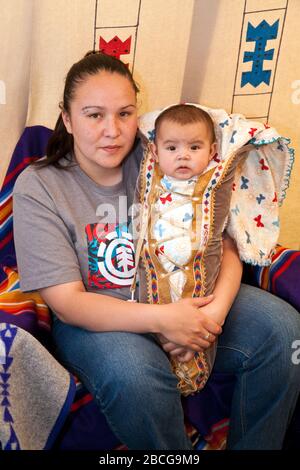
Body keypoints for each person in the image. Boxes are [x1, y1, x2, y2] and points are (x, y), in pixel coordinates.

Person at [13, 51, 300, 450]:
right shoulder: (39, 185)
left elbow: (226, 242)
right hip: (100, 319)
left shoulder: (166, 157)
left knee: (283, 330)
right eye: (94, 115)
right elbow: (67, 303)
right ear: (67, 118)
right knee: (136, 374)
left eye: (125, 114)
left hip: (190, 294)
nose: (112, 130)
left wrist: (210, 315)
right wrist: (166, 320)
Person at [132, 103, 242, 396]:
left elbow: (232, 244)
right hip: (153, 293)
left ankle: (188, 361)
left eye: (195, 147)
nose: (183, 155)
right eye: (172, 148)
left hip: (202, 288)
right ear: (154, 152)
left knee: (281, 328)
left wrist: (211, 317)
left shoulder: (216, 184)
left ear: (212, 150)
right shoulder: (147, 178)